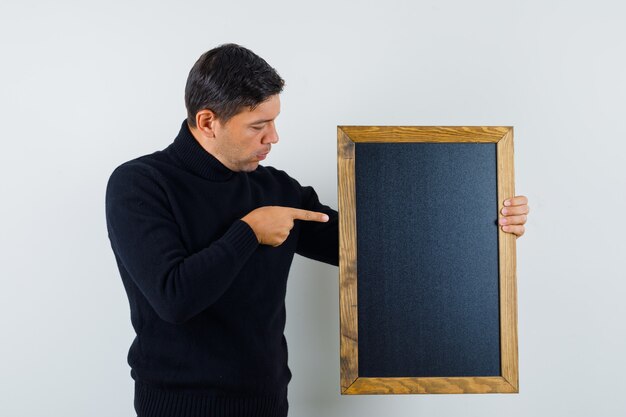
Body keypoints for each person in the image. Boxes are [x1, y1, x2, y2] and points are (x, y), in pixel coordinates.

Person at [105, 43, 529, 417]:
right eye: (258, 126)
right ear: (207, 121)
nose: (274, 137)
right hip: (178, 408)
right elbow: (174, 299)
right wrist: (249, 232)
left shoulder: (275, 188)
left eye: (274, 121)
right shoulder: (139, 184)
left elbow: (374, 246)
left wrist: (487, 220)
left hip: (267, 404)